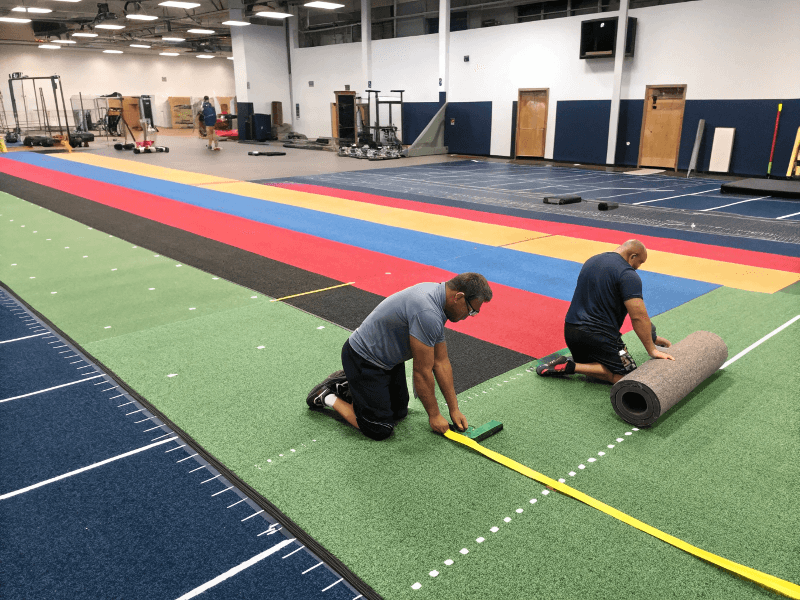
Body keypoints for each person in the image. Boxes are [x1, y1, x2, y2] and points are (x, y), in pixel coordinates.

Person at [306, 273, 493, 440]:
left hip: (388, 361)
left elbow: (441, 362)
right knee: (379, 428)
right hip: (363, 359)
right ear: (458, 297)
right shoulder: (427, 311)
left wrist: (454, 409)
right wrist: (435, 415)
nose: (469, 315)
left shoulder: (437, 297)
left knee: (399, 412)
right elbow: (422, 371)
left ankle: (350, 384)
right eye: (471, 310)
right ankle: (326, 395)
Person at [537, 239, 673, 384]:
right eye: (640, 262)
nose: (638, 267)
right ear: (632, 256)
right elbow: (638, 316)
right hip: (599, 337)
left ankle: (578, 363)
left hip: (572, 332)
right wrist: (652, 349)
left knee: (601, 366)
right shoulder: (627, 274)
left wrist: (653, 337)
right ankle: (571, 366)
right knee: (629, 376)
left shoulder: (592, 261)